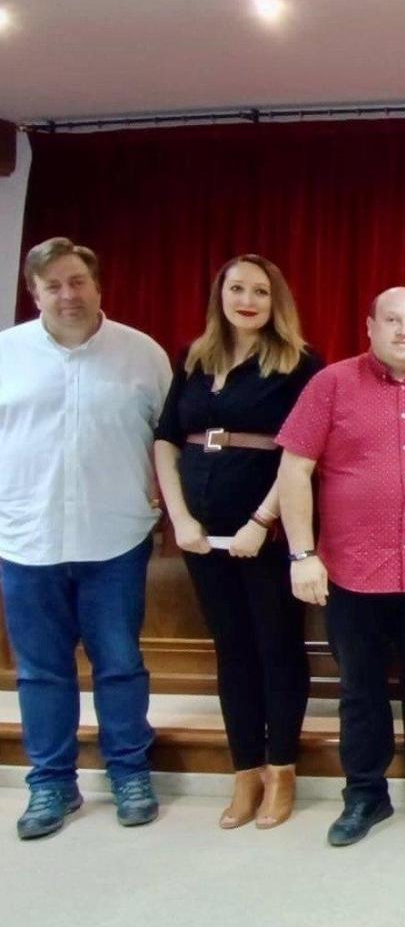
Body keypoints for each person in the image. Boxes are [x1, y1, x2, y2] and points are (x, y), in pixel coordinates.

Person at [275, 287, 405, 847]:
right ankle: (364, 794)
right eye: (392, 320)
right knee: (360, 691)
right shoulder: (331, 384)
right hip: (351, 572)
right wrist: (301, 553)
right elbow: (294, 472)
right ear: (370, 326)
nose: (404, 330)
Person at [1, 237, 172, 840]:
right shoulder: (6, 354)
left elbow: (167, 441)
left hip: (114, 539)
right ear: (35, 292)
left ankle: (129, 772)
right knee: (40, 671)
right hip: (26, 542)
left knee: (120, 663)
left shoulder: (142, 355)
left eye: (77, 282)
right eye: (54, 286)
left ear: (97, 286)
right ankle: (51, 784)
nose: (67, 295)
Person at [153, 254, 321, 831]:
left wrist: (261, 520)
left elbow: (301, 454)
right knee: (233, 653)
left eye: (260, 292)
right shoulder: (194, 359)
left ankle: (281, 770)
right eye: (237, 289)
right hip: (201, 536)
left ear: (277, 303)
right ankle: (244, 769)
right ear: (219, 295)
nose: (247, 300)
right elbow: (166, 441)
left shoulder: (298, 365)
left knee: (276, 649)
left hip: (267, 534)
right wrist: (180, 519)